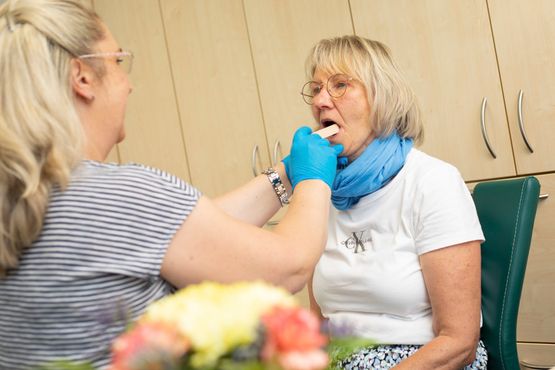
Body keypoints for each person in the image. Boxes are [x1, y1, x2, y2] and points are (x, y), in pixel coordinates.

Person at [0, 1, 343, 369]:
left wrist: (285, 175)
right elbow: (289, 266)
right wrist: (313, 179)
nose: (128, 84)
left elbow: (189, 235)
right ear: (81, 77)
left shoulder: (29, 194)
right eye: (118, 61)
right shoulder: (123, 194)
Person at [295, 35, 488, 369]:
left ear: (382, 98)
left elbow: (460, 342)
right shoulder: (320, 195)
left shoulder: (432, 181)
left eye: (340, 85)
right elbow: (321, 327)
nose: (321, 101)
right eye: (316, 89)